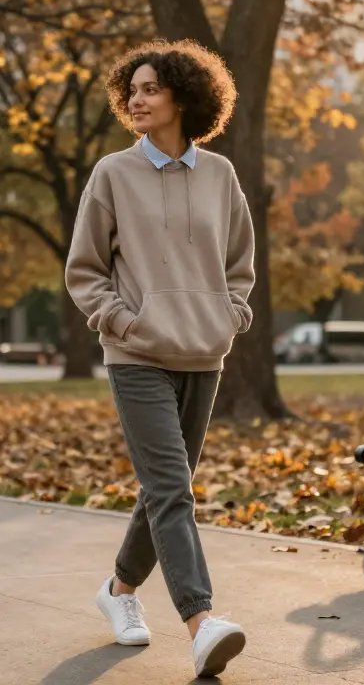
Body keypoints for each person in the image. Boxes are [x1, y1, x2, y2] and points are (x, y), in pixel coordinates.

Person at [64, 39, 253, 679]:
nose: (136, 100)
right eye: (132, 91)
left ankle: (118, 592)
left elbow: (240, 267)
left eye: (150, 89)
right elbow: (84, 271)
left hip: (204, 353)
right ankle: (202, 622)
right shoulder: (112, 174)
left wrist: (230, 315)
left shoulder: (221, 175)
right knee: (173, 488)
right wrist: (121, 321)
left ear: (183, 97)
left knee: (162, 490)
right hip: (137, 355)